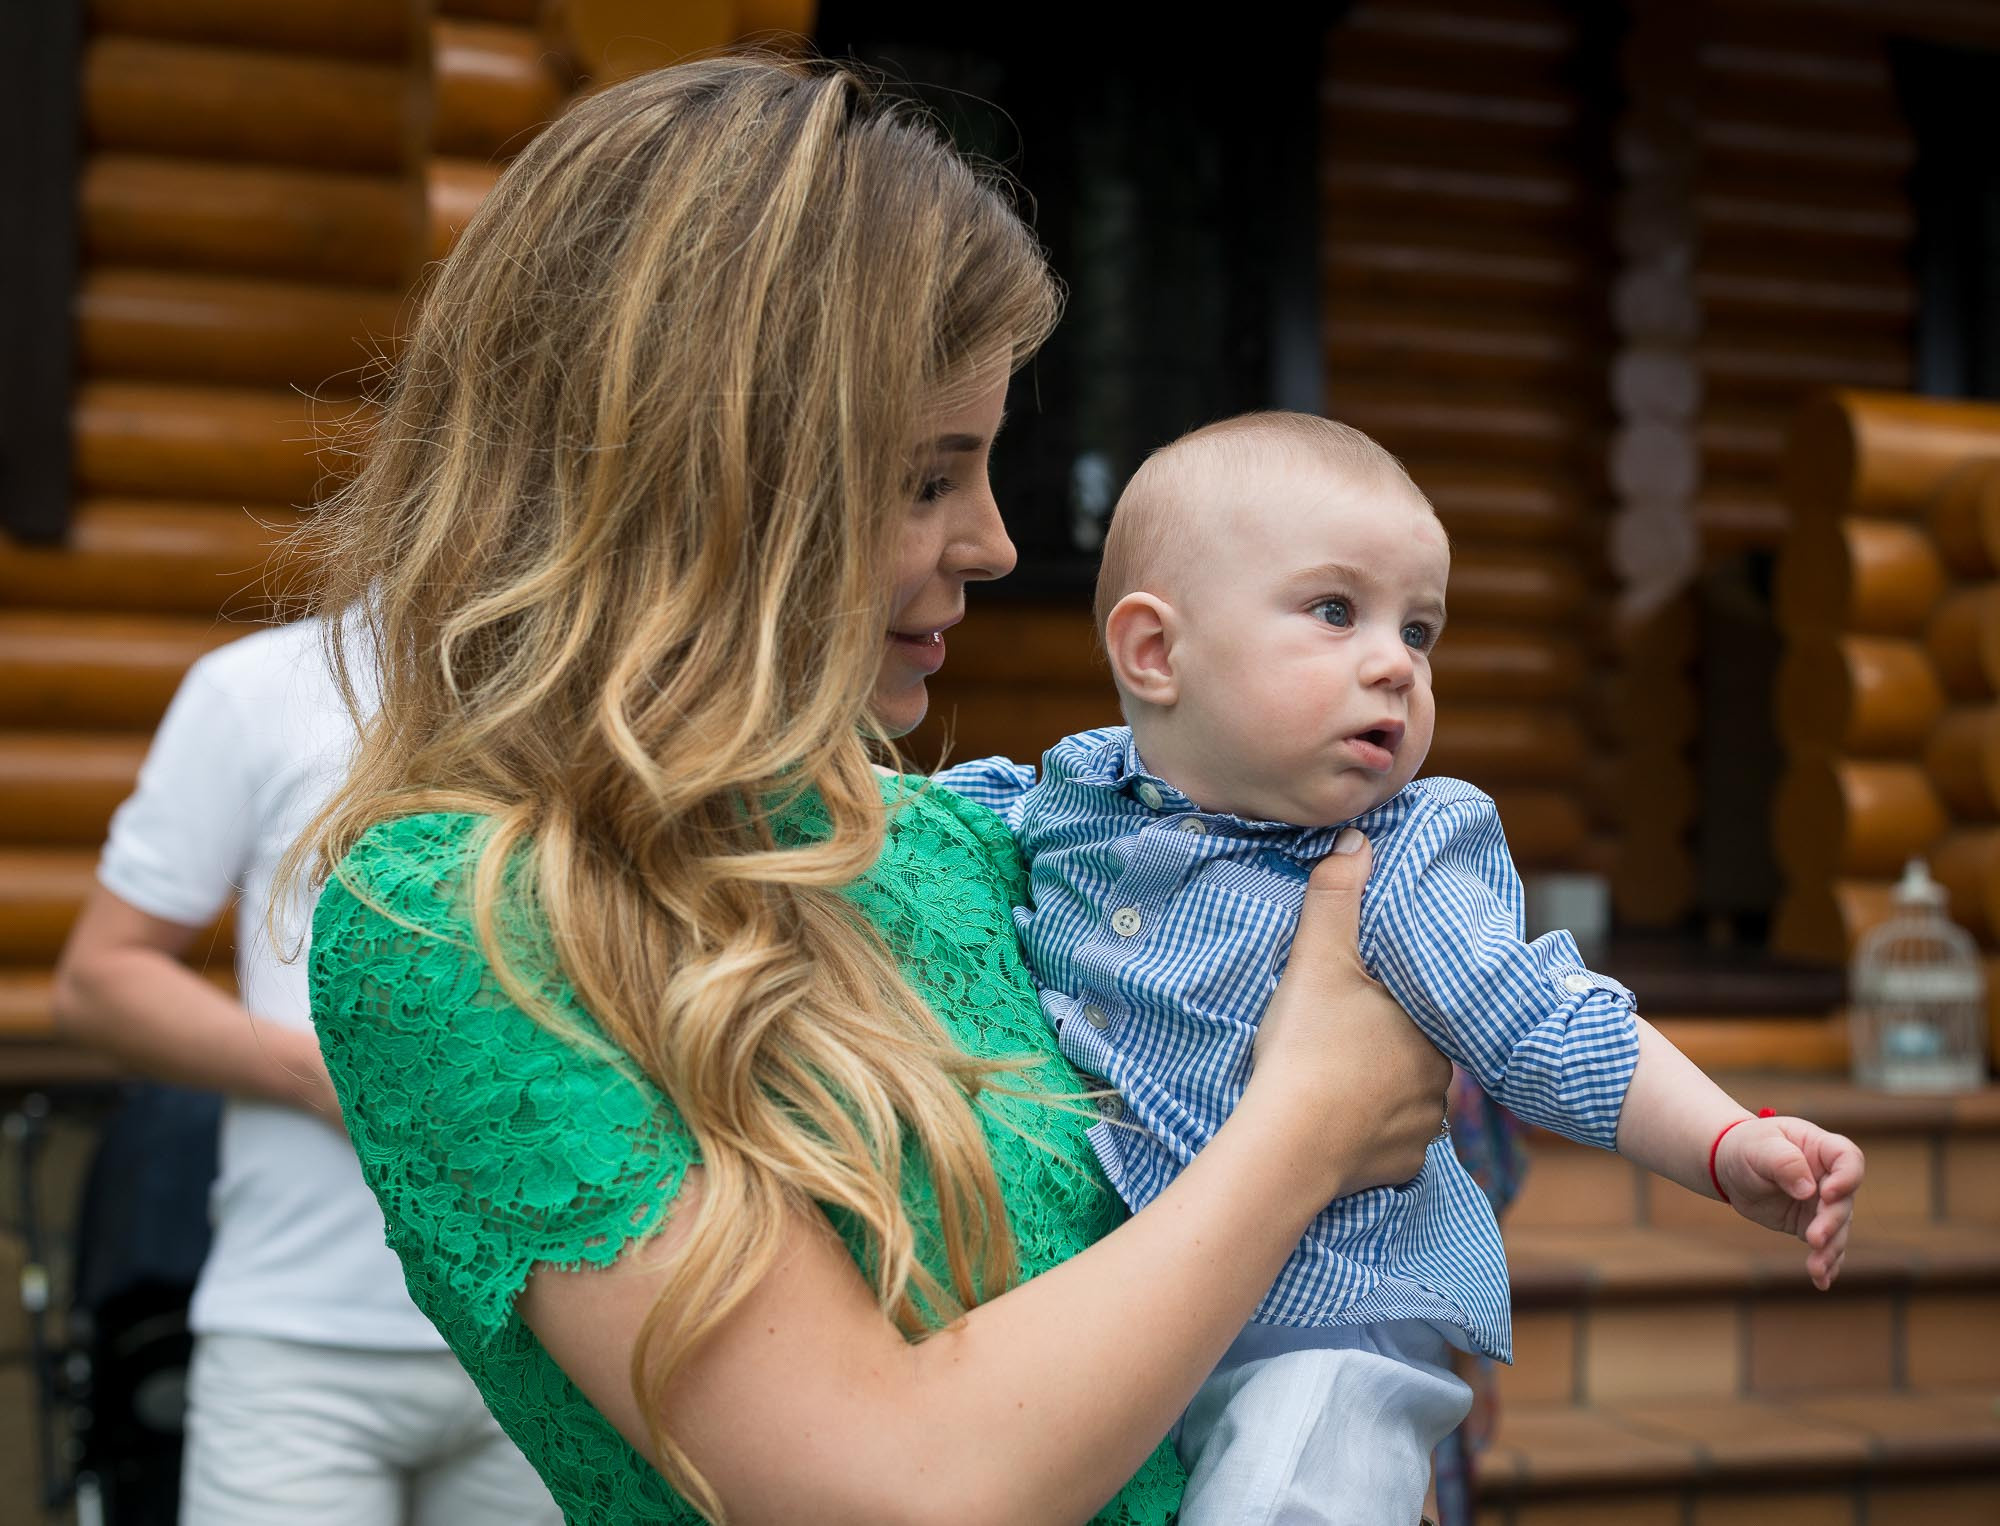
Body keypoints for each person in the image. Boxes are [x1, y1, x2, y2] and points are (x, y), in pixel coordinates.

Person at [290, 55, 1454, 1526]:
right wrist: (1313, 1119)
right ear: (706, 479)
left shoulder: (968, 842)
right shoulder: (451, 919)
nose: (994, 541)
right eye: (926, 477)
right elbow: (891, 1492)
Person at [934, 411, 1868, 1525]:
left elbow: (1544, 1017)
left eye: (1418, 629)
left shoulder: (1398, 857)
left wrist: (1721, 1139)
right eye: (1336, 611)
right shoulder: (1073, 793)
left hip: (1328, 1325)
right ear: (1154, 653)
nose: (1394, 663)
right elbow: (929, 819)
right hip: (1132, 1299)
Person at [51, 610, 562, 1524]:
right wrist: (332, 1082)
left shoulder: (606, 679)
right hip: (300, 1338)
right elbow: (100, 981)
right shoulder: (254, 686)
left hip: (555, 1333)